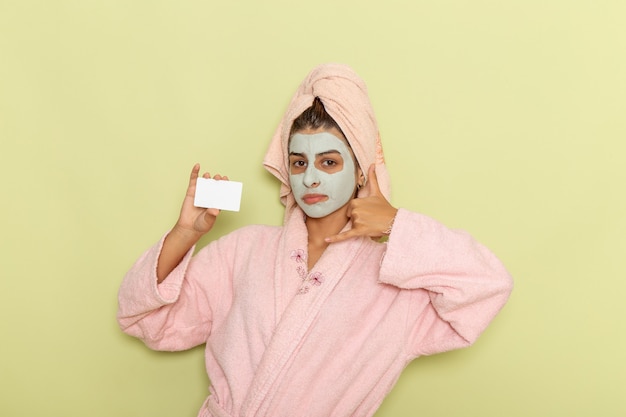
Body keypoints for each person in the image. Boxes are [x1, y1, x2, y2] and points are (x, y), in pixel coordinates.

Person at [117, 63, 513, 417]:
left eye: (329, 162)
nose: (310, 178)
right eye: (298, 162)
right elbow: (148, 321)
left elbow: (486, 286)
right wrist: (184, 234)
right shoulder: (242, 251)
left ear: (362, 172)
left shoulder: (398, 284)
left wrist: (395, 223)